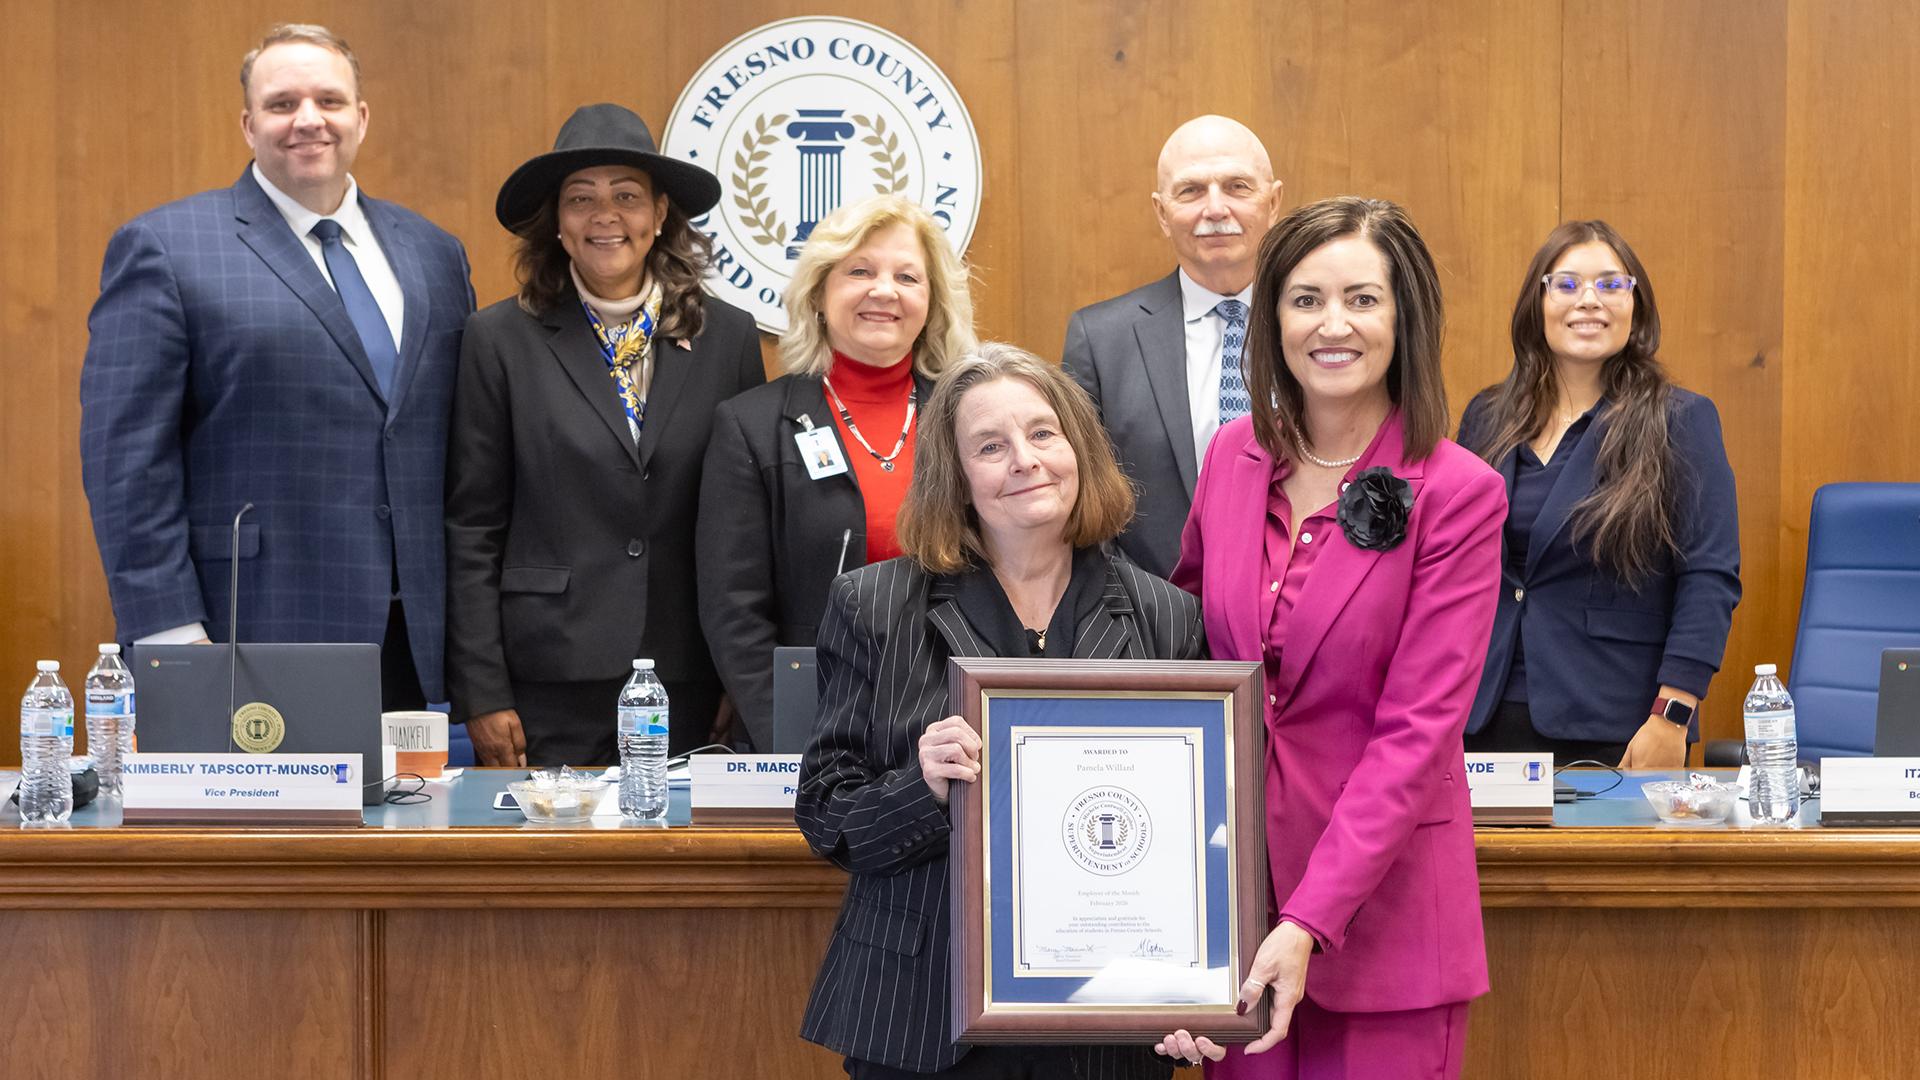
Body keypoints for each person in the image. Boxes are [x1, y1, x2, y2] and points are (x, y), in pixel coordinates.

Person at [1157, 198, 1504, 1077]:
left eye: (1362, 298)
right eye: (1305, 299)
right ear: (1272, 318)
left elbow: (1418, 733)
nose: (1332, 324)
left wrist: (1310, 918)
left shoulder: (1457, 491)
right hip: (1234, 910)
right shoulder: (1232, 458)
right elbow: (1186, 662)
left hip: (1383, 921)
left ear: (1405, 318)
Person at [796, 343, 1200, 1078]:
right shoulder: (874, 606)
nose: (1025, 459)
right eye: (991, 445)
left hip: (1103, 1021)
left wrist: (1195, 988)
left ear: (1078, 446)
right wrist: (922, 787)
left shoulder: (1166, 617)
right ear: (956, 479)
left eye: (1043, 433)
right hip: (922, 1020)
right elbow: (826, 815)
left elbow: (1199, 835)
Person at [79, 24, 474, 710]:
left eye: (329, 100)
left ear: (362, 117)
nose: (309, 120)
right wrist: (169, 633)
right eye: (282, 103)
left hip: (419, 641)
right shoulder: (168, 248)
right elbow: (125, 463)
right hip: (246, 632)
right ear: (248, 124)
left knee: (411, 819)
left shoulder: (435, 254)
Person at [445, 104, 764, 766]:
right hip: (547, 677)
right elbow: (473, 526)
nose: (604, 216)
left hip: (691, 673)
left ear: (659, 216)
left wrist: (744, 672)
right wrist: (481, 690)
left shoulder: (728, 338)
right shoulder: (498, 339)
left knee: (683, 869)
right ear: (557, 224)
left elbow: (746, 526)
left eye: (626, 196)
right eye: (580, 199)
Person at [698, 195, 977, 752]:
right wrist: (789, 736)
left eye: (906, 276)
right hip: (815, 721)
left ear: (932, 301)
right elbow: (733, 611)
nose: (883, 290)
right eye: (859, 271)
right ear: (820, 294)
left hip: (957, 721)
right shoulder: (752, 426)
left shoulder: (971, 417)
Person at [1459, 221, 1740, 767]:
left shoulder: (1680, 420)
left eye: (1611, 285)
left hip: (1617, 722)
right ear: (1536, 305)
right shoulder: (1486, 417)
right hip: (1482, 717)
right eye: (1566, 284)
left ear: (1636, 305)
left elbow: (1710, 577)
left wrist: (1672, 716)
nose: (1589, 300)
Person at [1061, 115, 1285, 576]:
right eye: (1191, 191)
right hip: (1154, 624)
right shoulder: (1102, 340)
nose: (1216, 208)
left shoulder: (1323, 330)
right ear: (1162, 213)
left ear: (1274, 202)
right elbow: (1079, 500)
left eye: (1238, 187)